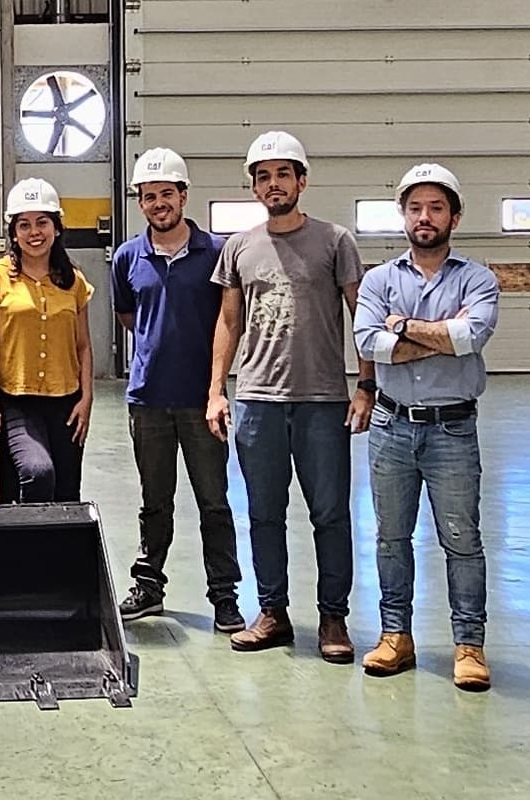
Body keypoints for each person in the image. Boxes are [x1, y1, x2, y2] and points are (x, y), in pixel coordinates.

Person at [206, 130, 372, 663]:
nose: (273, 184)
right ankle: (272, 612)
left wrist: (365, 385)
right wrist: (216, 391)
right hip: (258, 401)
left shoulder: (336, 241)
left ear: (302, 181)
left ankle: (333, 617)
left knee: (330, 514)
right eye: (263, 176)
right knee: (263, 513)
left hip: (322, 401)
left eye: (283, 174)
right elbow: (228, 322)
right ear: (254, 187)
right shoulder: (239, 247)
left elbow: (362, 316)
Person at [354, 162, 501, 693]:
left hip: (452, 430)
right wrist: (438, 336)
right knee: (391, 538)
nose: (424, 217)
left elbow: (471, 337)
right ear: (403, 215)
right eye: (415, 207)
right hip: (390, 426)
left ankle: (469, 646)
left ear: (454, 217)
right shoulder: (379, 280)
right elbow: (367, 343)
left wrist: (403, 327)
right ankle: (395, 636)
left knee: (462, 540)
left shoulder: (477, 279)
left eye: (436, 207)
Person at [112, 148, 243, 634]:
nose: (159, 203)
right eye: (149, 197)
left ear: (184, 196)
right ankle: (149, 587)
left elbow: (229, 320)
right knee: (155, 501)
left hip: (202, 401)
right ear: (140, 203)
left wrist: (215, 389)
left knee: (214, 501)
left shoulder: (216, 252)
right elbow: (129, 316)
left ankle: (224, 596)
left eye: (167, 193)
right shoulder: (127, 257)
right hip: (148, 400)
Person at [0, 179, 95, 503]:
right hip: (16, 400)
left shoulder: (74, 282)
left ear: (56, 228)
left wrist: (86, 398)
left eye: (42, 222)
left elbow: (82, 345)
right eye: (24, 225)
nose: (34, 232)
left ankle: (58, 540)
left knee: (67, 492)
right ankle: (30, 536)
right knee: (37, 472)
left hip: (67, 402)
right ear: (13, 232)